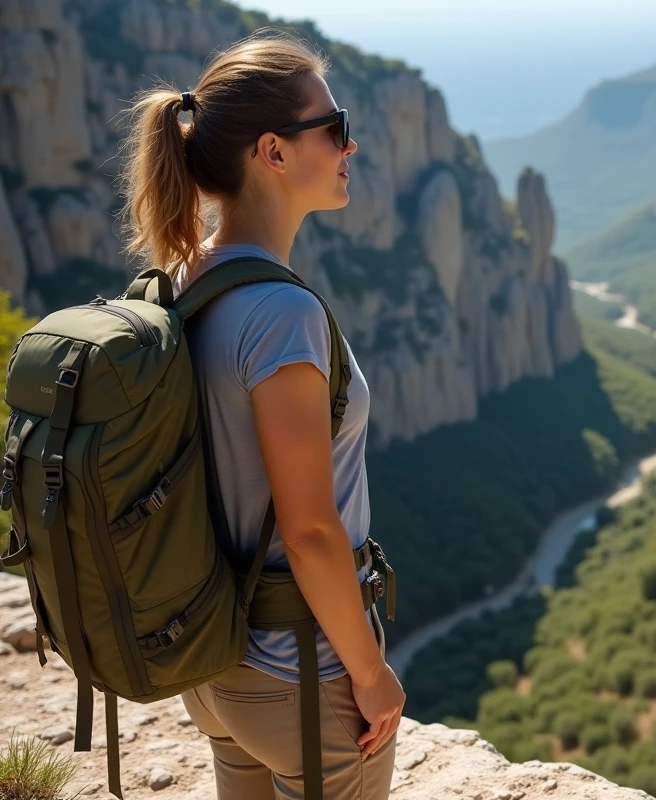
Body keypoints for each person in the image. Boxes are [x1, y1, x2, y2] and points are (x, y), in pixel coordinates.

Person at [113, 28, 405, 800]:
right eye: (335, 127)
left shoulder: (181, 280)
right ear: (273, 153)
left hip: (212, 665)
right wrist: (371, 676)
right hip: (297, 671)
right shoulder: (281, 315)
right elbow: (309, 532)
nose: (351, 143)